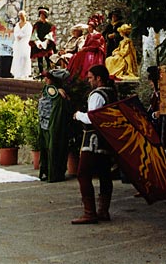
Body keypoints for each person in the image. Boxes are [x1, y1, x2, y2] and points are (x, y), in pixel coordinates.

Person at [71, 64, 116, 224]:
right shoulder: (111, 93)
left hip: (93, 140)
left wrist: (78, 115)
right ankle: (103, 211)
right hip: (106, 140)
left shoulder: (97, 95)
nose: (89, 80)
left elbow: (93, 118)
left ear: (99, 78)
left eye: (91, 77)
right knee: (104, 174)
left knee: (83, 174)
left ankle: (90, 213)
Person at [38, 69, 73, 183]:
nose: (45, 80)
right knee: (46, 149)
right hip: (45, 124)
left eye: (48, 78)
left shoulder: (58, 94)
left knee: (54, 148)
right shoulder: (49, 90)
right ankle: (47, 171)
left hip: (52, 125)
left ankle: (53, 174)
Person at [68, 14, 107, 80]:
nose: (89, 29)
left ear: (93, 28)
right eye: (88, 27)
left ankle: (86, 75)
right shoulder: (89, 35)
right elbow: (86, 44)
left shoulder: (97, 35)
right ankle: (75, 75)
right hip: (88, 50)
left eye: (90, 27)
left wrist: (86, 48)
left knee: (88, 58)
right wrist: (84, 48)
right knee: (76, 56)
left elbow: (95, 46)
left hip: (96, 52)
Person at [30, 7, 57, 76]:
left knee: (48, 58)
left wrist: (46, 41)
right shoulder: (37, 24)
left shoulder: (50, 25)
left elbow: (51, 33)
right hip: (39, 43)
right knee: (40, 59)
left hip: (46, 43)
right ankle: (41, 72)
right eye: (40, 15)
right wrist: (37, 42)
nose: (41, 17)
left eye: (43, 15)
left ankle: (49, 72)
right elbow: (34, 33)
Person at [12, 10, 33, 79]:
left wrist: (21, 35)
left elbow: (28, 34)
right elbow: (15, 33)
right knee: (17, 58)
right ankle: (17, 73)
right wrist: (17, 36)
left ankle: (24, 73)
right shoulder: (17, 25)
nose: (21, 17)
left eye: (22, 16)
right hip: (18, 44)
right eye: (20, 16)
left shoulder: (28, 25)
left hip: (25, 43)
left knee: (24, 57)